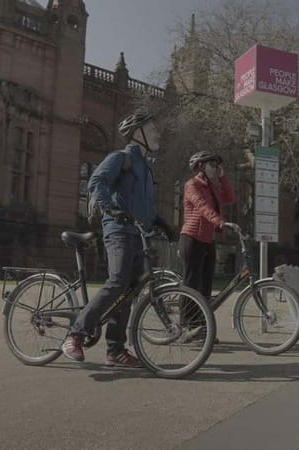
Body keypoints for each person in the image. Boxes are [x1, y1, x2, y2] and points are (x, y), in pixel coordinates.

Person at [61, 110, 177, 367]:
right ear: (138, 133)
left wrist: (160, 222)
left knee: (130, 292)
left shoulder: (146, 169)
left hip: (139, 234)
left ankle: (115, 350)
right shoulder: (120, 158)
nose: (157, 133)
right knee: (117, 282)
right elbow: (96, 181)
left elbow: (144, 205)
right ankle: (75, 334)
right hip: (118, 231)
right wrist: (109, 207)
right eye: (152, 128)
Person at [179, 151, 236, 336]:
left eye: (217, 165)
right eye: (212, 165)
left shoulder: (213, 188)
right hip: (192, 238)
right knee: (191, 284)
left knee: (205, 287)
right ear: (201, 166)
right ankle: (186, 325)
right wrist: (220, 222)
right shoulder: (192, 185)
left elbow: (230, 198)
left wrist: (223, 176)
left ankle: (201, 327)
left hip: (207, 240)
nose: (216, 168)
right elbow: (203, 207)